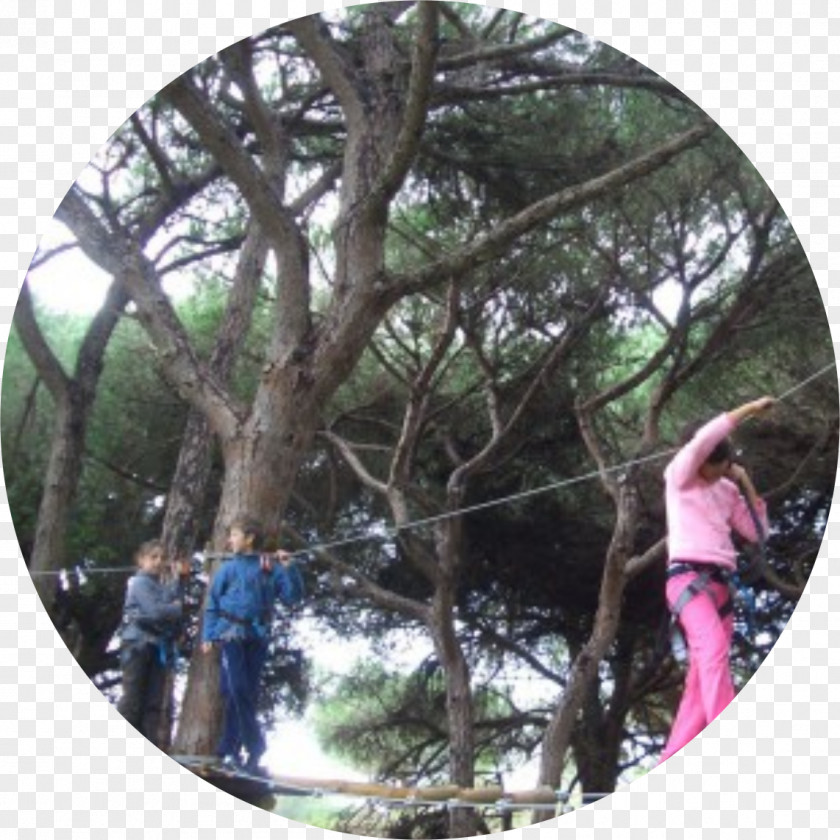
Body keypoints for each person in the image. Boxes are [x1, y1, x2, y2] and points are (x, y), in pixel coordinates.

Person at [659, 395, 775, 764]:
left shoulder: (725, 490)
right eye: (717, 463)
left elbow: (758, 533)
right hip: (686, 580)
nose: (720, 469)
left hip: (719, 586)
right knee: (711, 652)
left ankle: (670, 761)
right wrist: (748, 410)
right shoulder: (679, 476)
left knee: (700, 677)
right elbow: (702, 442)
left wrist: (745, 484)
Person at [201, 516, 305, 775]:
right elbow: (212, 603)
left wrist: (291, 568)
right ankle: (248, 747)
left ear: (249, 538)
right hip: (230, 634)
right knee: (235, 689)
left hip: (257, 635)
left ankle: (234, 752)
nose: (230, 540)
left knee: (243, 691)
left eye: (235, 535)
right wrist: (208, 635)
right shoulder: (227, 568)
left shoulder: (269, 566)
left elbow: (293, 598)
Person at [117, 539, 189, 747]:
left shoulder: (159, 587)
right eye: (153, 557)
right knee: (132, 699)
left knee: (153, 703)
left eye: (161, 558)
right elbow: (156, 612)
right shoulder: (138, 583)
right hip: (137, 645)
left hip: (156, 647)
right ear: (141, 560)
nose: (158, 562)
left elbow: (172, 600)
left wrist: (180, 580)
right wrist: (175, 609)